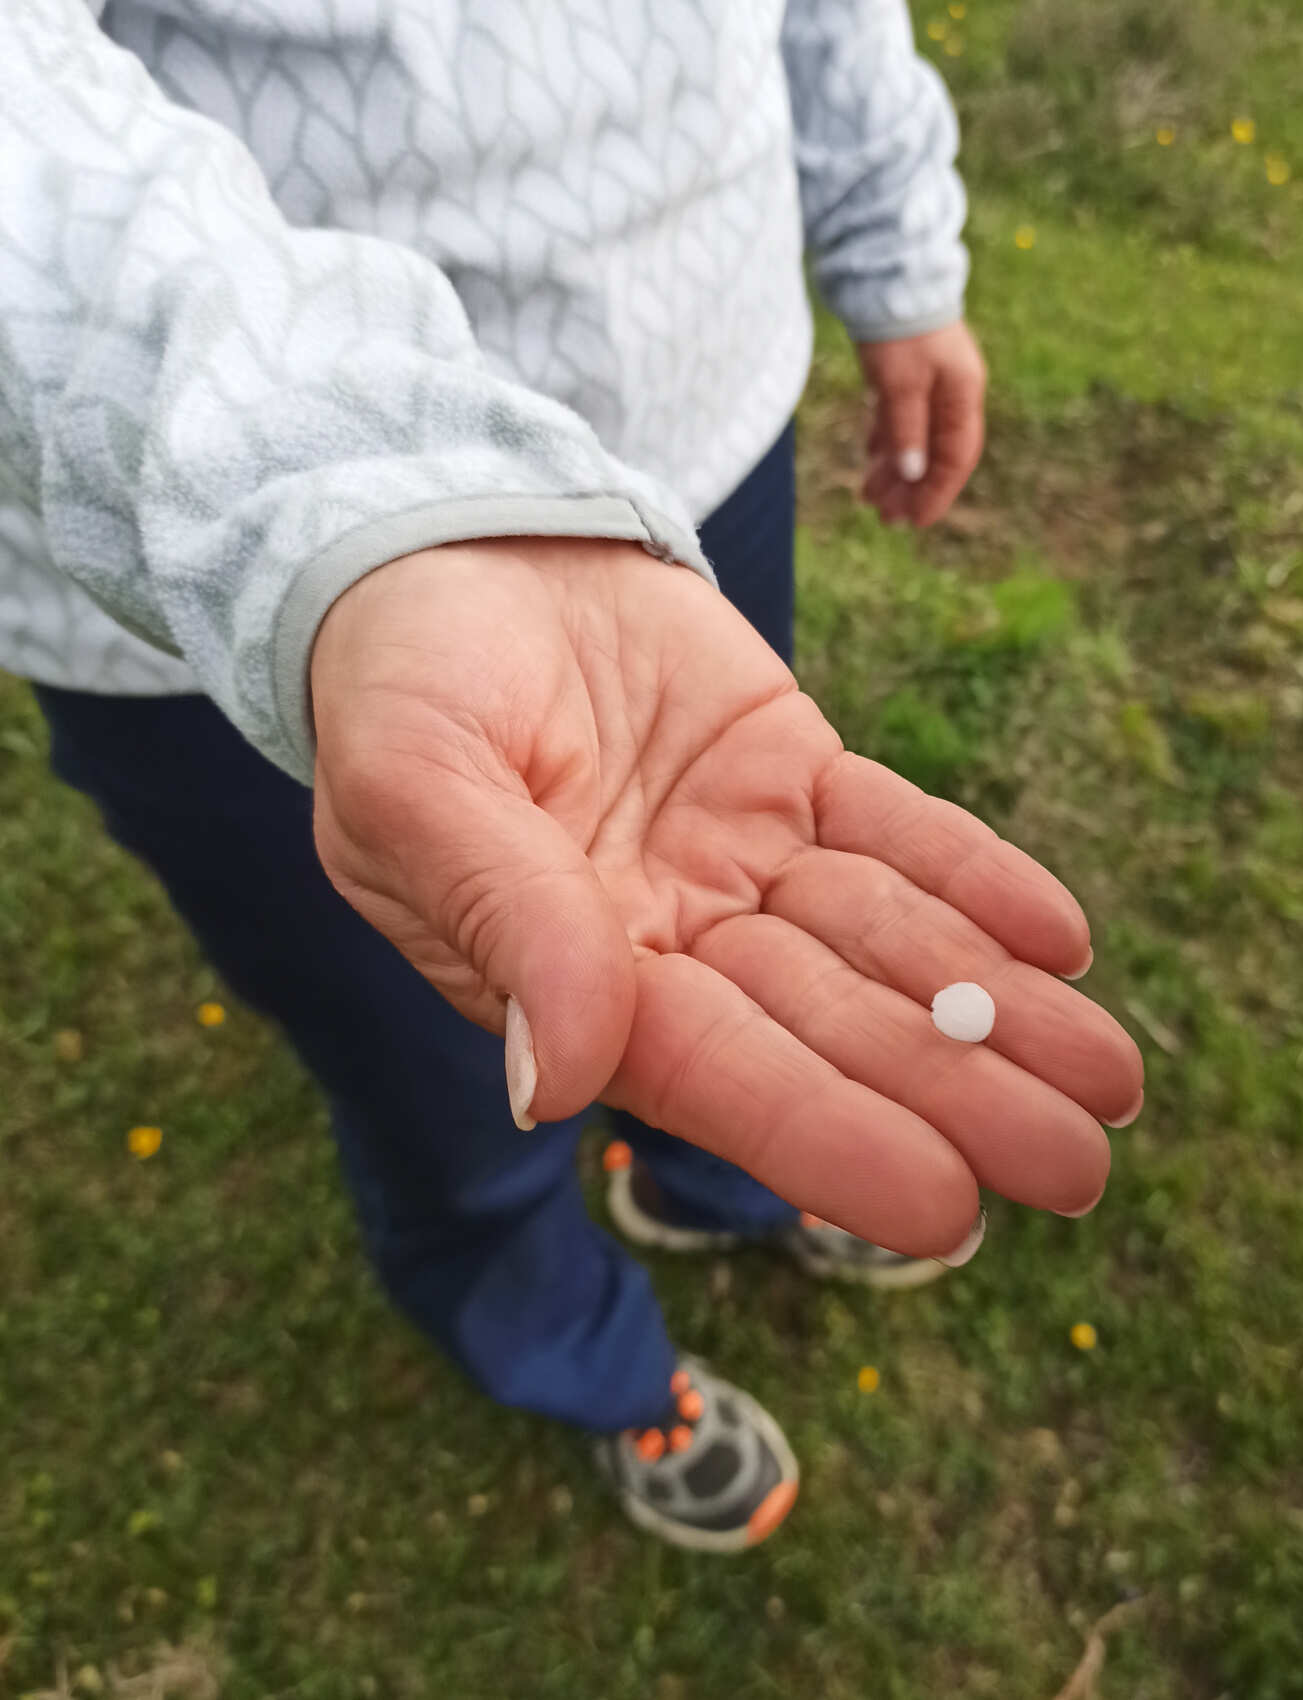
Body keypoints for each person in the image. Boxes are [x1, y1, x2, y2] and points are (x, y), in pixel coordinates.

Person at [0, 0, 1143, 1551]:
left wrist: (893, 238)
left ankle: (709, 1177)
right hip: (229, 543)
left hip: (679, 458)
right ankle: (571, 1348)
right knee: (443, 1066)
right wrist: (353, 493)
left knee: (716, 929)